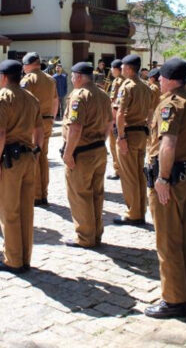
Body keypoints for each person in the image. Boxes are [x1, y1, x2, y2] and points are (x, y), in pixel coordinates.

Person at [144, 58, 186, 318]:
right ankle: (184, 295)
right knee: (183, 238)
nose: (158, 81)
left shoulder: (171, 104)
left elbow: (168, 143)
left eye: (161, 77)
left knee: (168, 240)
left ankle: (174, 300)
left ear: (169, 79)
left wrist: (163, 178)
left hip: (172, 177)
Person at [0, 59, 43, 273]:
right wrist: (37, 151)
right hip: (28, 157)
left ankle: (13, 259)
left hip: (9, 160)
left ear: (2, 77)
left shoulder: (2, 98)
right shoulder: (30, 98)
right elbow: (40, 130)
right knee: (25, 210)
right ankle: (24, 256)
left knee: (8, 210)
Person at [60, 62, 113, 248]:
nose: (72, 79)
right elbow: (109, 123)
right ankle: (96, 233)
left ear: (79, 77)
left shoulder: (79, 96)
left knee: (80, 194)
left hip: (81, 153)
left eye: (73, 76)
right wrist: (101, 141)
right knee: (96, 194)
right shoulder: (103, 94)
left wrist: (68, 154)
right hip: (98, 150)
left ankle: (84, 237)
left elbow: (75, 128)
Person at [114, 54, 153, 225]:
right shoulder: (146, 87)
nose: (121, 69)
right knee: (138, 174)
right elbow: (150, 113)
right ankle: (140, 209)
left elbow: (121, 113)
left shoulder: (127, 86)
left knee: (129, 175)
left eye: (122, 66)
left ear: (128, 68)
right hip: (141, 133)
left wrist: (121, 136)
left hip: (129, 133)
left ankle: (134, 212)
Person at [20, 52, 58, 206]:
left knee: (34, 157)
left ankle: (36, 195)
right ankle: (44, 193)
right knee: (43, 157)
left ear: (28, 65)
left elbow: (23, 102)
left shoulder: (28, 79)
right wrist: (52, 118)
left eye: (24, 65)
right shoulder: (50, 79)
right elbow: (56, 101)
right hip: (47, 120)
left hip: (33, 123)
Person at [106, 59, 124, 181]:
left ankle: (118, 170)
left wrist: (112, 120)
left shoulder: (118, 82)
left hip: (117, 117)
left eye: (112, 68)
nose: (111, 71)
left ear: (117, 69)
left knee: (114, 145)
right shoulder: (126, 80)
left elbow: (115, 102)